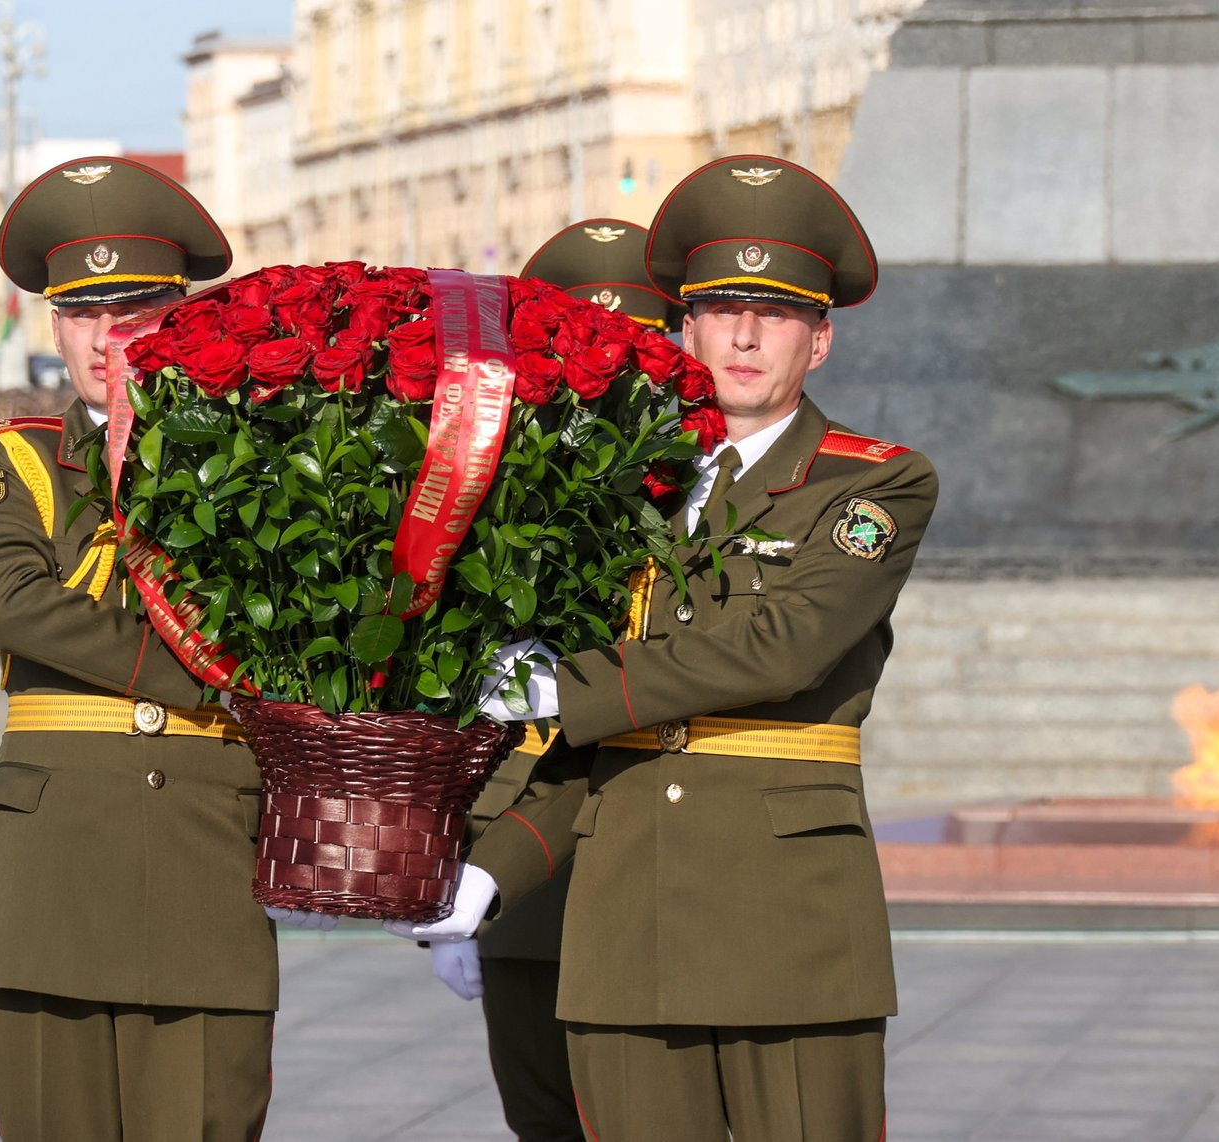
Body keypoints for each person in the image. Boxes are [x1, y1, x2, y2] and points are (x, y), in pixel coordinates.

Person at [388, 155, 939, 1140]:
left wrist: (560, 683)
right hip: (622, 934)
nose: (741, 334)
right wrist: (486, 869)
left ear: (818, 341)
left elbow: (779, 648)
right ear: (683, 330)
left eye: (772, 314)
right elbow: (599, 742)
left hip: (788, 929)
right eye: (719, 309)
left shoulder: (870, 486)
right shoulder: (622, 495)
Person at [0, 155, 293, 1142]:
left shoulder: (260, 463)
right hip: (49, 878)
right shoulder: (8, 459)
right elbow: (4, 599)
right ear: (54, 325)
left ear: (182, 317)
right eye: (83, 313)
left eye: (134, 312)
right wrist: (208, 678)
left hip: (204, 863)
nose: (107, 339)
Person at [422, 218, 688, 1142]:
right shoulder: (496, 496)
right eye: (599, 349)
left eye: (645, 345)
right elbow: (459, 696)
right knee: (544, 1120)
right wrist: (449, 856)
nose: (624, 374)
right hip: (522, 888)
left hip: (665, 868)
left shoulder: (711, 488)